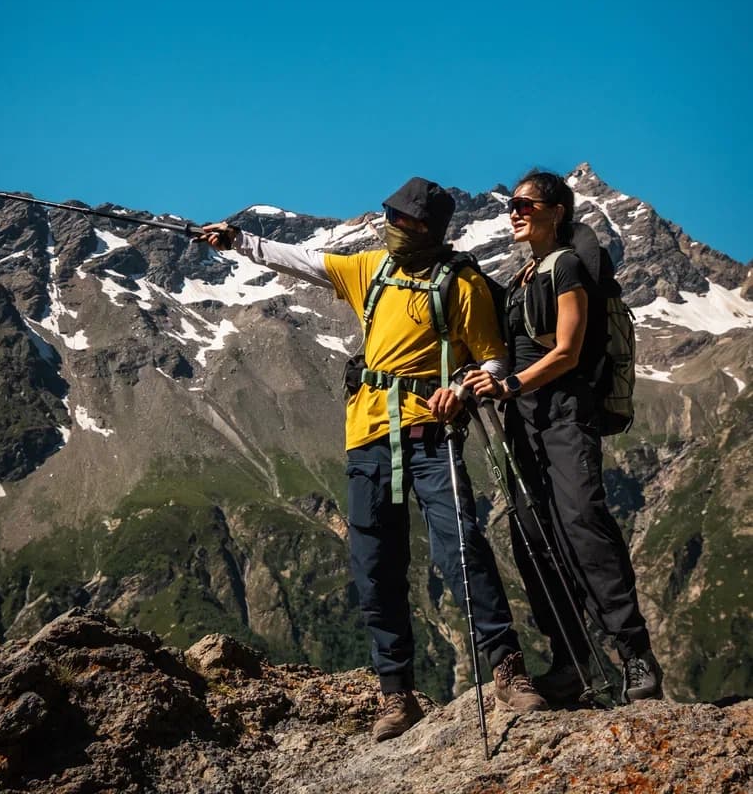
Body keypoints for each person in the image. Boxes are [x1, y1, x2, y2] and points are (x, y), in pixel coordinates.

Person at [203, 176, 547, 741]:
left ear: (428, 229)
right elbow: (306, 261)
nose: (394, 226)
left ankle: (506, 670)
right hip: (366, 436)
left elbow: (494, 360)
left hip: (431, 436)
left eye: (405, 221)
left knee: (461, 546)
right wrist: (238, 240)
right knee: (373, 565)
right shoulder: (371, 268)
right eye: (393, 216)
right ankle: (396, 694)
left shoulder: (463, 285)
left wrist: (463, 387)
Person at [464, 169, 663, 705]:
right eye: (511, 204)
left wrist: (510, 383)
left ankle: (635, 655)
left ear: (556, 211)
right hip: (522, 420)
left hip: (564, 415)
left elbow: (569, 351)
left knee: (582, 524)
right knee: (535, 539)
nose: (514, 212)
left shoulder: (566, 267)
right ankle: (570, 659)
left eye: (524, 205)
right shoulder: (525, 274)